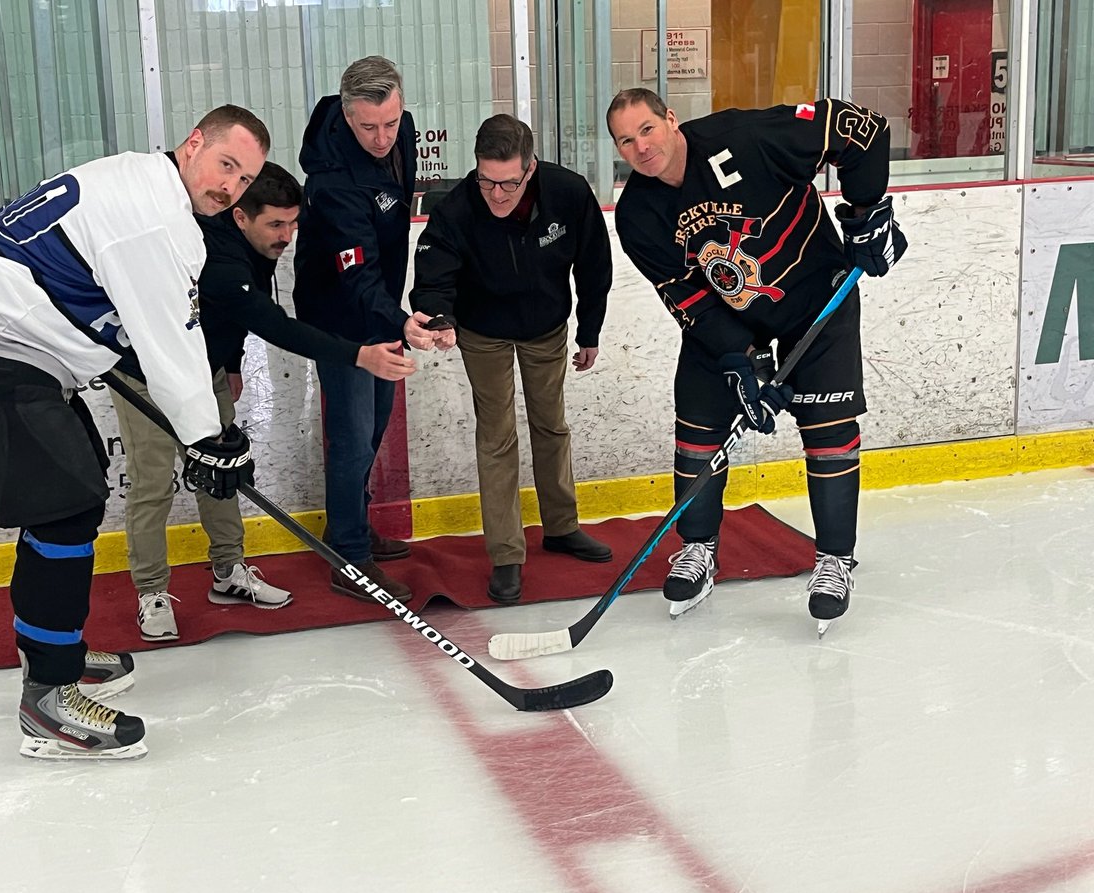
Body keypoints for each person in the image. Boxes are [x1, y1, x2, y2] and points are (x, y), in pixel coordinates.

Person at [0, 105, 270, 759]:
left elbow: (133, 333)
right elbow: (170, 341)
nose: (230, 186)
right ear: (193, 145)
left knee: (75, 483)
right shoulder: (156, 219)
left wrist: (201, 435)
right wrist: (209, 439)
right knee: (65, 502)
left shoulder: (138, 182)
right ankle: (48, 699)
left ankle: (52, 650)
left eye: (245, 180)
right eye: (226, 165)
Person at [606, 89, 906, 631]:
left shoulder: (742, 137)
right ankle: (698, 550)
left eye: (647, 129)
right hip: (728, 321)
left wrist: (868, 213)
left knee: (829, 430)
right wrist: (741, 361)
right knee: (696, 431)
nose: (641, 147)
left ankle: (835, 558)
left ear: (671, 120)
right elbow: (688, 298)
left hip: (816, 299)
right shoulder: (638, 214)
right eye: (626, 140)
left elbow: (862, 127)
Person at [112, 161, 416, 641]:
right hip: (144, 371)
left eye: (294, 222)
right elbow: (271, 322)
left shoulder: (256, 243)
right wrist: (358, 355)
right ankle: (151, 591)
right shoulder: (217, 257)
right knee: (153, 484)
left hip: (203, 366)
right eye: (276, 224)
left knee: (220, 472)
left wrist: (230, 363)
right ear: (240, 217)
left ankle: (229, 572)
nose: (288, 236)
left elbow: (228, 316)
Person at [409, 114, 614, 604]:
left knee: (551, 425)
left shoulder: (567, 192)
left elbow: (594, 263)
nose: (496, 194)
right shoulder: (457, 207)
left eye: (508, 183)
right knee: (496, 436)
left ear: (531, 168)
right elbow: (434, 270)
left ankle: (561, 527)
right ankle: (505, 554)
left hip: (546, 327)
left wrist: (590, 329)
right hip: (483, 333)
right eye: (486, 180)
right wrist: (440, 318)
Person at [293, 56, 446, 604]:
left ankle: (347, 526)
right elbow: (353, 275)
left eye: (390, 122)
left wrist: (410, 306)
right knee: (354, 436)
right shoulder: (332, 182)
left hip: (381, 305)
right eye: (368, 127)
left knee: (377, 423)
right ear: (346, 114)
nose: (383, 137)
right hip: (338, 315)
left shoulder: (397, 129)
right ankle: (350, 560)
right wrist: (400, 318)